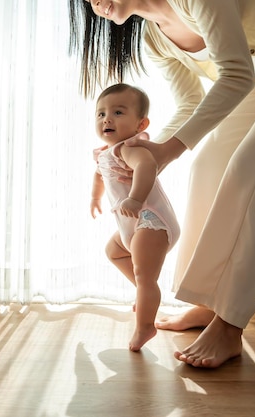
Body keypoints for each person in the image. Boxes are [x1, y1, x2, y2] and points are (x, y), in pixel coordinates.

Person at [69, 0, 255, 367]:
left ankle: (229, 324)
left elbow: (234, 74)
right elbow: (190, 101)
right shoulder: (154, 39)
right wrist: (148, 152)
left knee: (253, 171)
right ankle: (207, 304)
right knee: (205, 165)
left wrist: (165, 153)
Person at [90, 83, 180, 352]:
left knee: (145, 275)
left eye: (118, 112)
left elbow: (147, 166)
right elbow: (99, 174)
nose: (107, 118)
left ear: (141, 124)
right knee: (114, 252)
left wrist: (136, 198)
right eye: (101, 113)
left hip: (150, 220)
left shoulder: (131, 148)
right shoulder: (105, 152)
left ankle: (145, 326)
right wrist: (95, 198)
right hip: (132, 225)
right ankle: (146, 295)